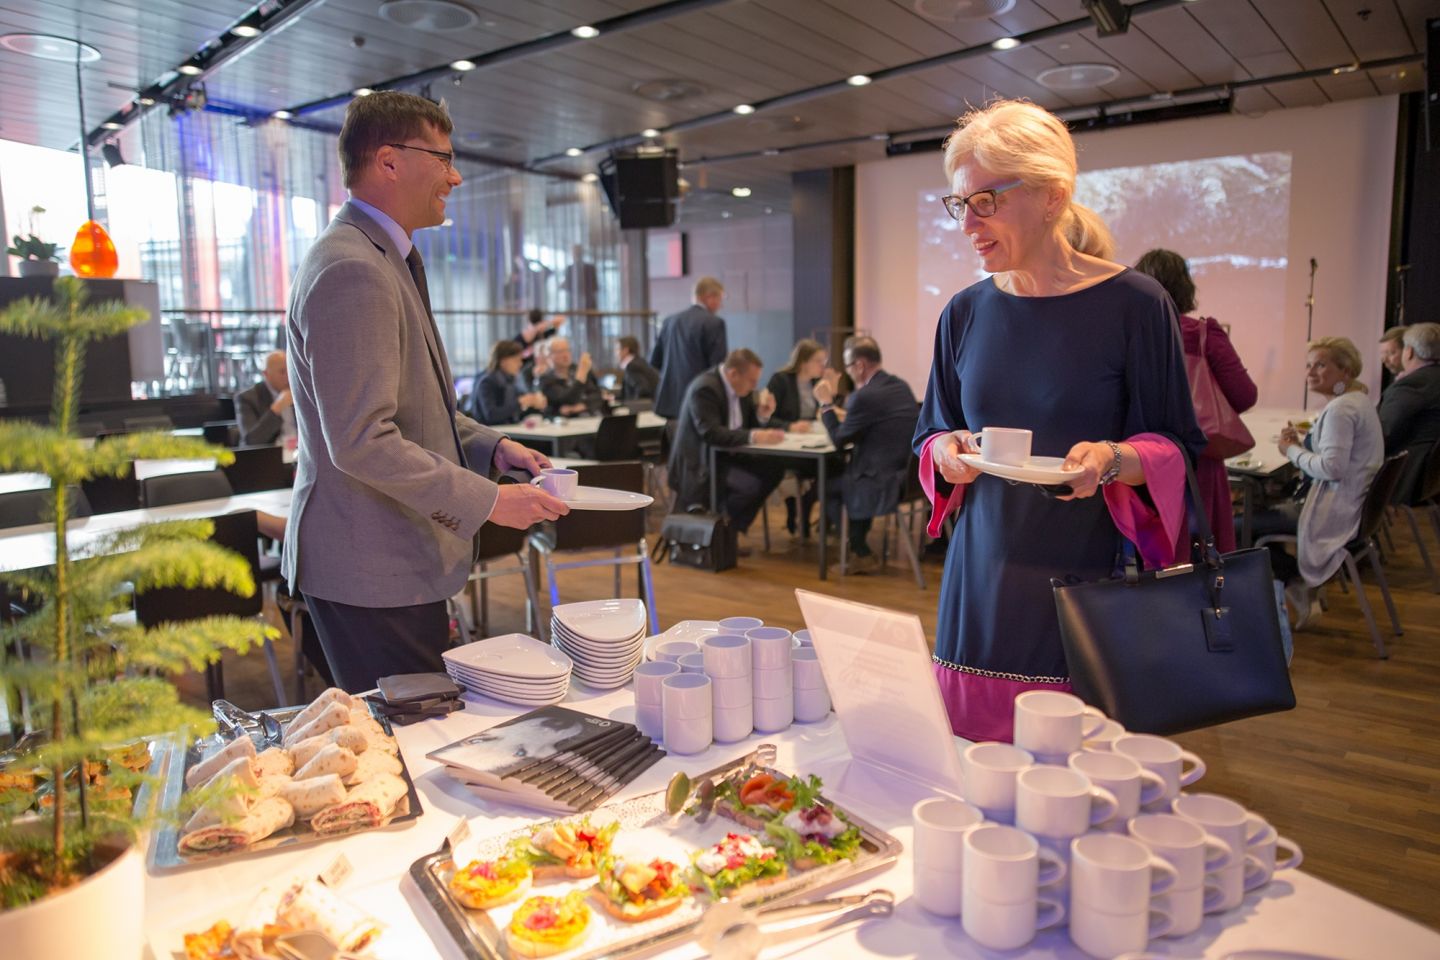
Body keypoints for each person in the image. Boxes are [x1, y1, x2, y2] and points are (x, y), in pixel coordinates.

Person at [914, 99, 1205, 742]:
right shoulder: (964, 313)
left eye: (986, 200)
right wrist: (946, 449)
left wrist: (1110, 458)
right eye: (961, 204)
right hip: (979, 575)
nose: (969, 223)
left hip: (1080, 577)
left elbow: (1173, 445)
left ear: (1051, 195)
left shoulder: (1134, 304)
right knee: (971, 759)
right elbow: (932, 429)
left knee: (1062, 770)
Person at [283, 91, 568, 692]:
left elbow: (414, 404)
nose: (455, 176)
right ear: (389, 161)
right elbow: (362, 440)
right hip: (370, 567)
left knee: (416, 735)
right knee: (407, 745)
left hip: (390, 559)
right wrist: (489, 501)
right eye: (442, 158)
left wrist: (491, 446)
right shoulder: (353, 268)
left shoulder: (381, 256)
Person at [1251, 337, 1383, 628]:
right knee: (1261, 514)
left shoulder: (1340, 410)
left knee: (1241, 526)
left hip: (1332, 509)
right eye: (1308, 365)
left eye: (1320, 365)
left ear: (1345, 371)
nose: (1310, 373)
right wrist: (1303, 447)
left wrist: (1292, 452)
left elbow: (1332, 468)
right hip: (1351, 505)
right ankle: (1294, 580)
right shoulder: (1358, 401)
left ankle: (1293, 581)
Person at [1135, 248, 1258, 553]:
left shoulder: (1128, 333)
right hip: (1198, 462)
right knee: (1199, 557)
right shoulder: (1202, 334)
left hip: (1139, 460)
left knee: (1145, 555)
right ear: (1186, 286)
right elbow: (1244, 395)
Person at [813, 337, 918, 574]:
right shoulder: (900, 386)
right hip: (906, 476)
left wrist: (826, 405)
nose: (849, 373)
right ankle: (854, 544)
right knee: (848, 475)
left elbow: (839, 440)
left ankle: (858, 550)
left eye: (849, 367)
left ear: (859, 365)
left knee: (827, 486)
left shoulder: (865, 396)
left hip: (879, 479)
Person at [668, 348, 786, 541]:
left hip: (728, 456)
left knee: (774, 468)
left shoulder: (741, 388)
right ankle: (723, 532)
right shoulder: (705, 389)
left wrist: (762, 416)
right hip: (702, 464)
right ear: (733, 374)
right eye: (752, 381)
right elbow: (711, 433)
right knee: (749, 486)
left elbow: (744, 426)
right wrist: (755, 436)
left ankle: (731, 528)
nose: (755, 386)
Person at [766, 339, 825, 534]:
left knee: (827, 467)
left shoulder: (817, 383)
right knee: (809, 468)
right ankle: (794, 513)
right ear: (803, 362)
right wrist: (790, 426)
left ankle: (805, 515)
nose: (822, 366)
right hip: (786, 442)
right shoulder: (780, 380)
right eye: (818, 361)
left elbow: (824, 410)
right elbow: (766, 418)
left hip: (811, 440)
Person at [1378, 322, 1440, 505]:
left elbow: (1383, 435)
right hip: (1432, 477)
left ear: (1409, 351)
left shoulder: (1410, 385)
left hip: (1407, 475)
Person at [651, 276, 729, 422]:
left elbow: (655, 361)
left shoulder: (669, 321)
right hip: (699, 403)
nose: (721, 305)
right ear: (709, 297)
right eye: (720, 299)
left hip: (669, 405)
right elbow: (717, 368)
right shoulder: (714, 323)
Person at [468, 339, 547, 425]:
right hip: (489, 434)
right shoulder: (487, 382)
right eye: (516, 360)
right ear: (503, 361)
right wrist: (520, 402)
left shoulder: (511, 381)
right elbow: (491, 415)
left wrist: (533, 404)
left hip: (506, 430)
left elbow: (514, 414)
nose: (520, 364)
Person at [235, 351, 295, 446]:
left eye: (290, 371)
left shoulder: (299, 392)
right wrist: (277, 408)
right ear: (266, 374)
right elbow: (251, 441)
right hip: (270, 456)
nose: (288, 377)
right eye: (282, 372)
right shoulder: (247, 399)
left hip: (299, 453)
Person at [538, 337, 602, 416]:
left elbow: (597, 396)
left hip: (589, 417)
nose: (565, 355)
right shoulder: (546, 379)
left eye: (567, 350)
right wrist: (580, 377)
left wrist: (580, 407)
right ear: (550, 355)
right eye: (560, 351)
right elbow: (567, 399)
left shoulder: (579, 369)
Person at [614, 335, 659, 401]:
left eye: (617, 349)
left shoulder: (632, 367)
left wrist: (631, 406)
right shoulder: (639, 361)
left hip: (644, 407)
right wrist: (615, 398)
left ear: (625, 350)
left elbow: (643, 390)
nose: (615, 353)